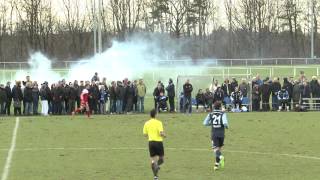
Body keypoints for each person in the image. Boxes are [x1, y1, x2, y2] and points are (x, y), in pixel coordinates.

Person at [203, 101, 229, 171]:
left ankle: (221, 157)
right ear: (220, 107)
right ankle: (216, 165)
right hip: (221, 134)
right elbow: (225, 123)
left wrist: (212, 124)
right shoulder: (223, 114)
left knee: (215, 149)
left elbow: (205, 123)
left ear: (214, 107)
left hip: (214, 134)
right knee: (219, 149)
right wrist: (226, 127)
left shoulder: (211, 114)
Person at [143, 109, 166, 180]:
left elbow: (145, 134)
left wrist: (149, 137)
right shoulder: (159, 122)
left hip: (151, 143)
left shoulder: (146, 123)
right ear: (156, 114)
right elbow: (161, 133)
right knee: (161, 159)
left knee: (153, 160)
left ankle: (155, 176)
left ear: (150, 115)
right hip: (158, 142)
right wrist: (164, 135)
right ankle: (157, 165)